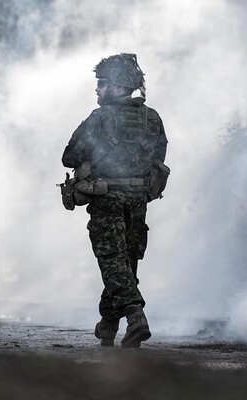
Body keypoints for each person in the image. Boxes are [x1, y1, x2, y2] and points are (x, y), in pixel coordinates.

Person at [61, 53, 168, 348]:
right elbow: (159, 157)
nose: (97, 89)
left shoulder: (101, 117)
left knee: (112, 261)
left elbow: (69, 156)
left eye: (102, 83)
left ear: (119, 87)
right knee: (125, 262)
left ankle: (136, 318)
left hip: (106, 197)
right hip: (138, 200)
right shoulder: (153, 118)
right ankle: (108, 324)